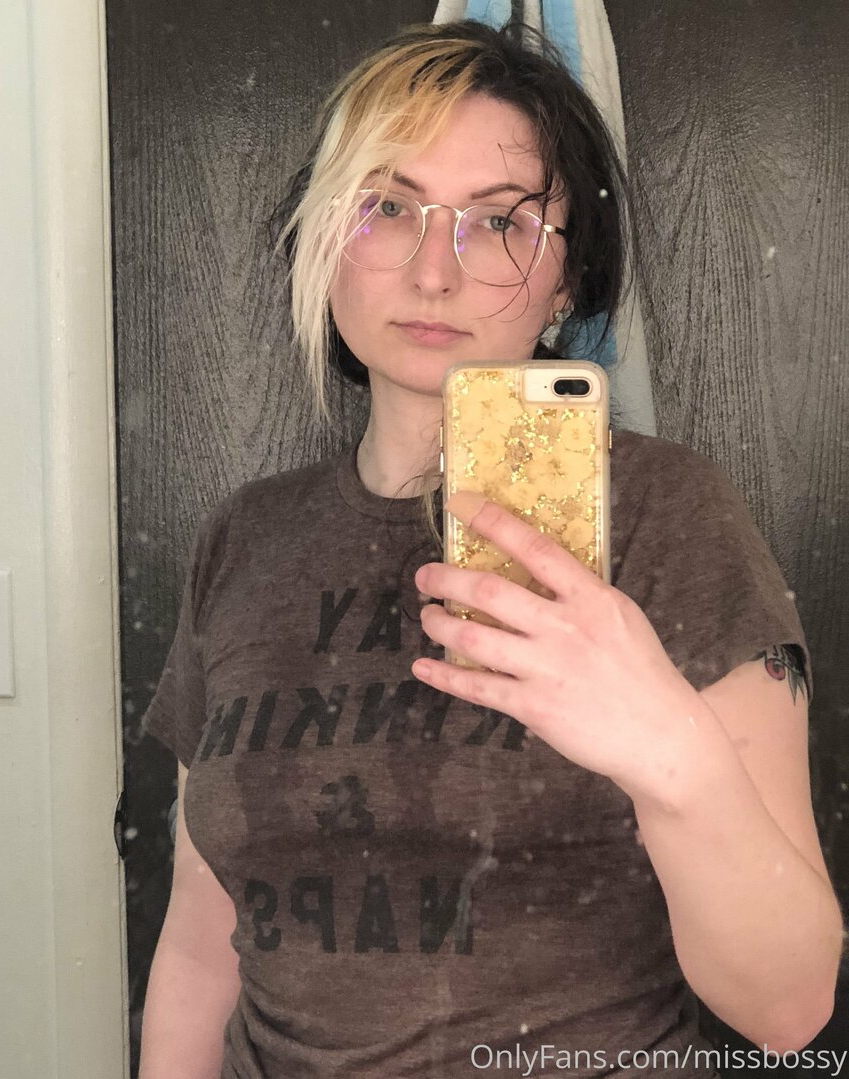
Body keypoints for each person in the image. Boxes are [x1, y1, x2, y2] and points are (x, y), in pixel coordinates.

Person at [138, 19, 842, 1079]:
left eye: (502, 221)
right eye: (387, 206)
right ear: (323, 239)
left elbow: (789, 1007)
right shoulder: (245, 538)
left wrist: (671, 751)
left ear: (568, 281)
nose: (435, 271)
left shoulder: (669, 515)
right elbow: (201, 945)